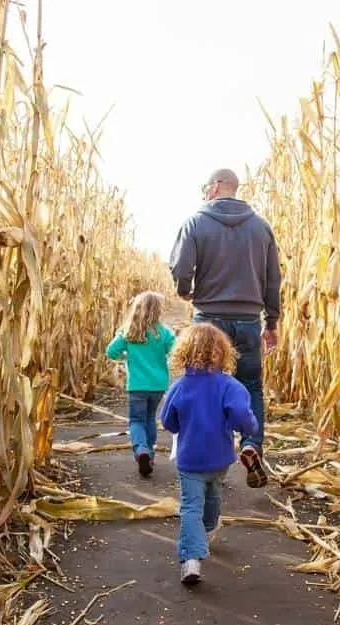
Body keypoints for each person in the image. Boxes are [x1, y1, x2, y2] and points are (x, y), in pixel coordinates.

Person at [169, 168, 281, 488]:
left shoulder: (195, 223)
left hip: (207, 320)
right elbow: (273, 279)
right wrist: (271, 322)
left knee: (203, 386)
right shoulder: (261, 228)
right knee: (250, 385)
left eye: (205, 187)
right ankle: (251, 443)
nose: (203, 193)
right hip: (248, 320)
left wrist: (184, 289)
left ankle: (206, 461)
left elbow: (180, 266)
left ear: (216, 187)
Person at [160, 323, 258, 584]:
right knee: (213, 495)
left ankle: (191, 558)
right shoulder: (230, 385)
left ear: (185, 353)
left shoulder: (179, 387)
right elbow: (242, 417)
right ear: (222, 353)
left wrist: (183, 422)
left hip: (190, 458)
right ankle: (202, 534)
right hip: (220, 458)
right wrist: (249, 428)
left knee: (191, 505)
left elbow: (168, 422)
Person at [105, 292, 176, 477]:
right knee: (150, 418)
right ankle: (150, 455)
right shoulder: (164, 332)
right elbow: (176, 351)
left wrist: (126, 356)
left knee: (137, 420)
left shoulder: (128, 332)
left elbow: (111, 352)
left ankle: (141, 450)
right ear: (158, 310)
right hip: (158, 385)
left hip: (137, 385)